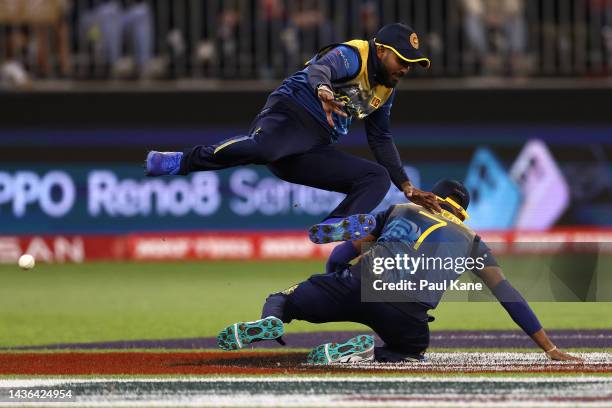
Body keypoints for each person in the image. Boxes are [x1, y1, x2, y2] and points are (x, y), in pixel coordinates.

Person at [216, 179, 582, 364]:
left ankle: (274, 321)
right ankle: (361, 355)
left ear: (429, 198)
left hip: (358, 283)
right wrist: (548, 347)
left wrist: (337, 281)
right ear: (461, 213)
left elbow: (341, 253)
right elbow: (507, 294)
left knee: (282, 298)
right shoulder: (471, 241)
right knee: (411, 351)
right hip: (407, 312)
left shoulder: (400, 210)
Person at [144, 23, 441, 244]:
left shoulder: (385, 90)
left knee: (376, 178)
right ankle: (181, 161)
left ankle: (336, 224)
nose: (406, 68)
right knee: (264, 149)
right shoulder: (354, 55)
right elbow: (320, 70)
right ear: (380, 49)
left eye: (411, 64)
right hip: (291, 114)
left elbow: (380, 138)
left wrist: (405, 185)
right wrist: (323, 89)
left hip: (313, 146)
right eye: (402, 60)